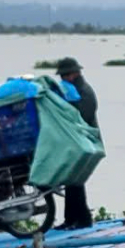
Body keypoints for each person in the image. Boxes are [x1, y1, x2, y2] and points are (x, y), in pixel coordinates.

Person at [54, 58, 98, 230]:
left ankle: (81, 219)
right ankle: (73, 219)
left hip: (84, 141)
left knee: (75, 181)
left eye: (65, 75)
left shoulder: (84, 92)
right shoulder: (75, 90)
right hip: (76, 141)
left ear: (74, 74)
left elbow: (83, 116)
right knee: (72, 180)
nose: (63, 79)